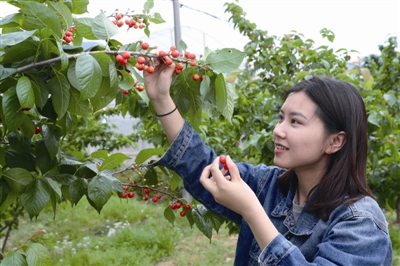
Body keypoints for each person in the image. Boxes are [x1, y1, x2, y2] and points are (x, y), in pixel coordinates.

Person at [143, 58, 393, 265]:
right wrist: (161, 98)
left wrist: (252, 211)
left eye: (295, 121)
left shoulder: (360, 223)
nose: (278, 130)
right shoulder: (269, 185)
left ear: (335, 142)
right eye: (281, 117)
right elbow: (204, 167)